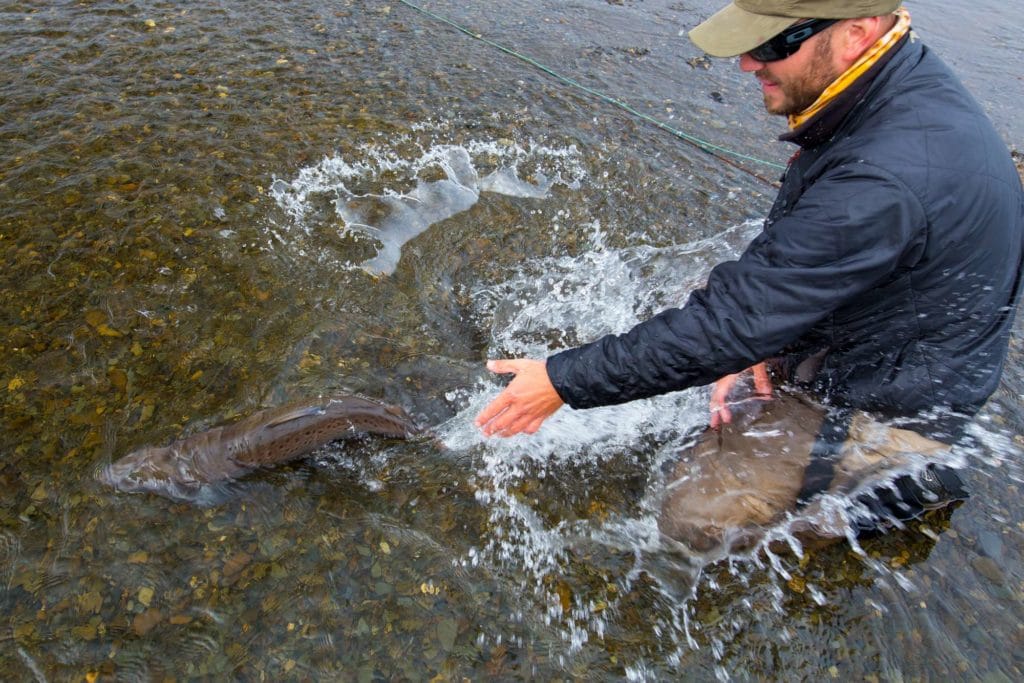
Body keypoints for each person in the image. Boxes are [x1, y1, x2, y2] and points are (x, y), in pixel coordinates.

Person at [475, 0, 1024, 552]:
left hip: (886, 399)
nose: (745, 64)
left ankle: (895, 489)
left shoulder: (885, 177)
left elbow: (734, 319)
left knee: (695, 520)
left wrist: (562, 381)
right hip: (869, 329)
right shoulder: (884, 84)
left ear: (856, 33)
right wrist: (767, 328)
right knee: (685, 316)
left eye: (771, 46)